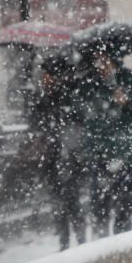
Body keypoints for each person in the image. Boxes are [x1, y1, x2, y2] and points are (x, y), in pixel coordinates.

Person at [81, 49, 132, 237]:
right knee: (100, 207)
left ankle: (123, 246)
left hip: (126, 154)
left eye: (105, 62)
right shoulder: (90, 84)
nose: (101, 67)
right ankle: (102, 249)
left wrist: (128, 102)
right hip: (100, 154)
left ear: (115, 60)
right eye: (98, 62)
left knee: (123, 204)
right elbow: (79, 110)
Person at [29, 55, 88, 250]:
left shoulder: (70, 96)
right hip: (53, 157)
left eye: (48, 76)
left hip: (68, 156)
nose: (45, 80)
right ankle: (66, 243)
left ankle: (79, 242)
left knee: (71, 201)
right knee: (59, 203)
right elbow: (36, 121)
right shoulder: (44, 98)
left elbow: (77, 123)